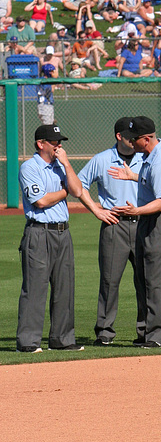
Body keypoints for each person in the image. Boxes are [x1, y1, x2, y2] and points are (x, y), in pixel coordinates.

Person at [108, 116, 161, 349]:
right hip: (149, 221)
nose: (130, 142)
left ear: (146, 139)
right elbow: (153, 183)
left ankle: (159, 335)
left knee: (156, 278)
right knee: (143, 277)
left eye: (133, 139)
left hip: (159, 221)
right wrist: (133, 176)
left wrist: (136, 210)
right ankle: (148, 331)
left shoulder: (159, 161)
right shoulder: (150, 157)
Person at [78, 118, 146, 346]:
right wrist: (96, 209)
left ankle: (147, 331)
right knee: (109, 281)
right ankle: (105, 332)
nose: (134, 140)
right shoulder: (102, 159)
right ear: (119, 136)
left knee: (145, 280)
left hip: (143, 224)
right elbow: (79, 185)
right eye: (130, 136)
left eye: (136, 136)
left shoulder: (146, 157)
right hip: (114, 225)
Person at [17, 124, 84, 353]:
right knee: (35, 288)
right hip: (39, 232)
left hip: (63, 232)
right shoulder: (29, 168)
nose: (59, 145)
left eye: (60, 141)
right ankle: (28, 342)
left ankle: (62, 340)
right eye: (55, 142)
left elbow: (78, 191)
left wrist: (66, 163)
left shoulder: (60, 166)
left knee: (64, 288)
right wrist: (64, 192)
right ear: (41, 144)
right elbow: (41, 201)